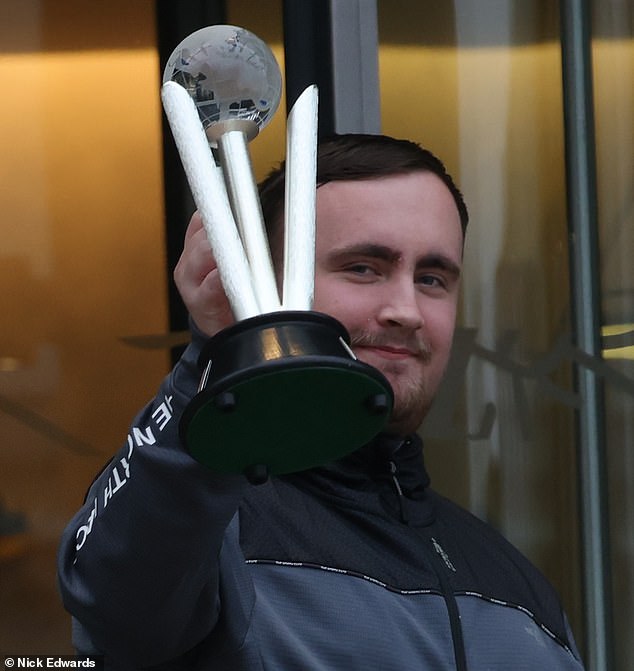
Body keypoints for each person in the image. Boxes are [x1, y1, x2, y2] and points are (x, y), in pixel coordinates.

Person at [57, 134, 585, 670]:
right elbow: (119, 606)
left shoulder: (520, 588)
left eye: (431, 278)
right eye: (363, 268)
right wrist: (216, 360)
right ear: (264, 281)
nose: (406, 309)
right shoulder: (204, 532)